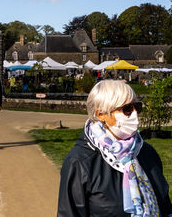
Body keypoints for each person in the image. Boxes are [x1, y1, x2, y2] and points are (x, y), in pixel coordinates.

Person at [57, 80, 172, 216]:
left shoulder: (146, 152)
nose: (134, 114)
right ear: (101, 115)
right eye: (127, 109)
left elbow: (165, 204)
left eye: (137, 107)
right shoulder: (80, 162)